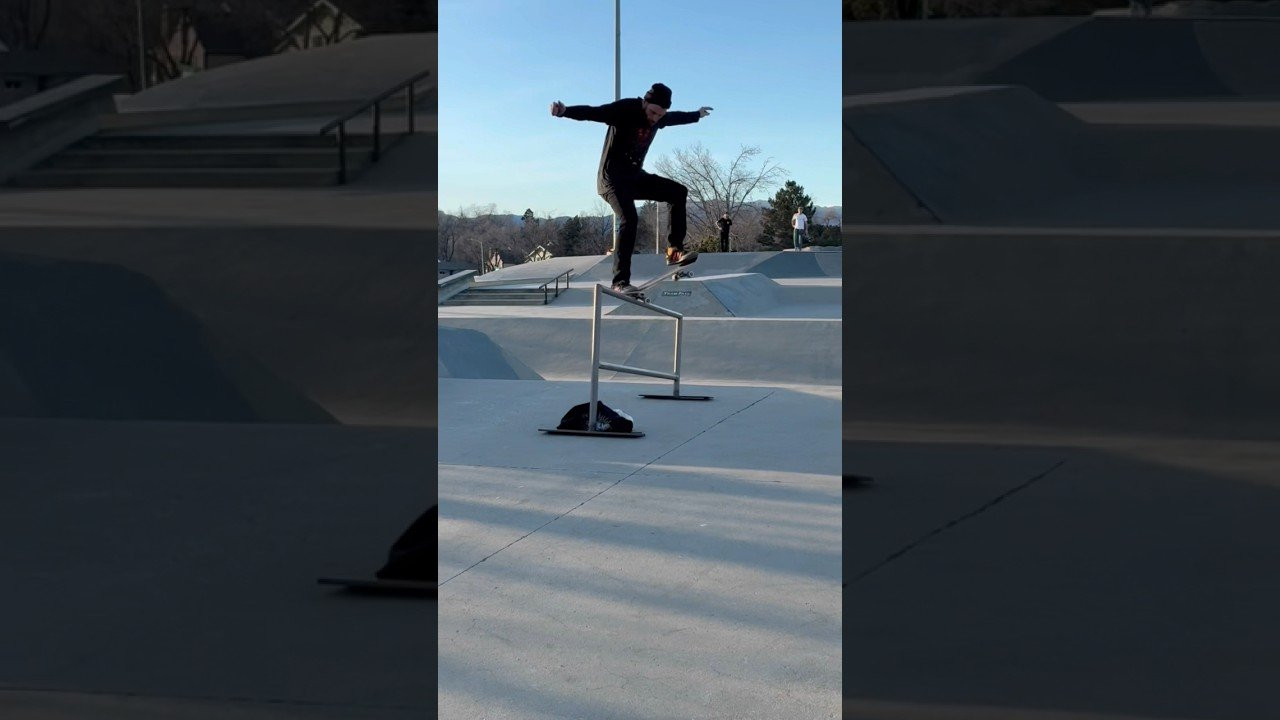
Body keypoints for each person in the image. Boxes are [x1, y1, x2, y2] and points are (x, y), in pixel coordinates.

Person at [551, 82, 711, 296]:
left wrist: (697, 115)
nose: (655, 118)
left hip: (635, 178)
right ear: (644, 102)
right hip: (612, 181)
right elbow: (595, 112)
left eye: (660, 115)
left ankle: (674, 251)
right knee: (630, 219)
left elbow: (674, 119)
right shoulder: (625, 109)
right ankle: (620, 281)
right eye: (653, 112)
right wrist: (565, 111)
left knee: (678, 192)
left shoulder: (661, 117)